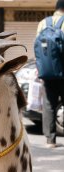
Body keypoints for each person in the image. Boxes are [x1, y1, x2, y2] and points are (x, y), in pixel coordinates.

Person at [36, 0, 64, 148]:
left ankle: (50, 140)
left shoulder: (42, 23)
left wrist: (39, 69)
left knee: (49, 105)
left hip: (46, 72)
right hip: (63, 71)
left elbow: (38, 50)